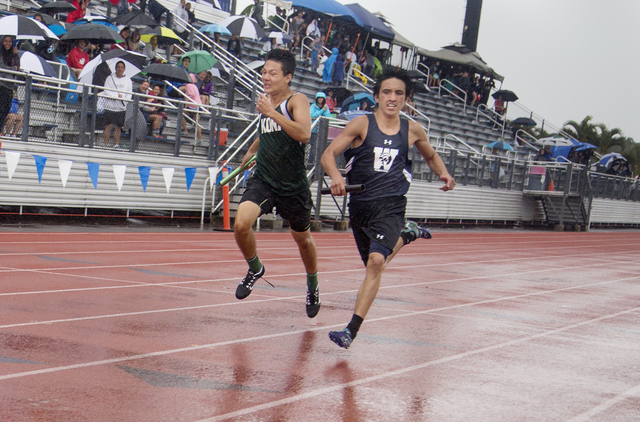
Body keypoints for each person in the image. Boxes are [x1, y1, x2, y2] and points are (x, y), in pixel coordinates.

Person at [321, 67, 455, 349]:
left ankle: (350, 331)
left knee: (376, 263)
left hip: (392, 206)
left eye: (399, 93)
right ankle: (407, 235)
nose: (392, 98)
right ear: (377, 96)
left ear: (407, 99)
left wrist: (443, 173)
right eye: (387, 92)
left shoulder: (412, 130)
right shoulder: (361, 125)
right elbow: (328, 155)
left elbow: (430, 155)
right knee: (373, 262)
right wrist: (335, 177)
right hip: (360, 206)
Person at [233, 49, 320, 318]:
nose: (266, 77)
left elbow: (304, 134)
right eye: (264, 71)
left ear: (288, 77)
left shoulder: (297, 100)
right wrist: (249, 152)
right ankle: (255, 268)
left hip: (293, 186)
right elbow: (267, 134)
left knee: (303, 240)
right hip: (265, 180)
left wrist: (271, 112)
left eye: (273, 73)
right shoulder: (265, 103)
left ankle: (313, 284)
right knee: (240, 224)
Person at [101, 61, 132, 148]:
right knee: (108, 126)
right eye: (118, 67)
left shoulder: (128, 80)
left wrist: (124, 99)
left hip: (121, 108)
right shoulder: (109, 78)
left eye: (122, 67)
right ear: (115, 68)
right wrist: (116, 96)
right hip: (110, 107)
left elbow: (129, 94)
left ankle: (116, 144)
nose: (120, 69)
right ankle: (105, 144)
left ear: (124, 69)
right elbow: (106, 91)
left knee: (118, 127)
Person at [0, 36, 20, 136]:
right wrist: (13, 68)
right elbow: (2, 67)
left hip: (9, 85)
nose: (8, 44)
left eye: (10, 42)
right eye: (6, 41)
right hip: (1, 84)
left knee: (6, 109)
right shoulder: (0, 53)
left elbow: (18, 66)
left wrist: (16, 55)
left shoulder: (12, 54)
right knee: (1, 108)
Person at [308, 91, 331, 166]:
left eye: (322, 98)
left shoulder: (325, 106)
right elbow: (311, 115)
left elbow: (328, 116)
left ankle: (317, 163)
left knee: (318, 147)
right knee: (311, 146)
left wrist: (322, 113)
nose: (320, 100)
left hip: (320, 130)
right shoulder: (313, 106)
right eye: (319, 98)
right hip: (312, 130)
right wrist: (322, 111)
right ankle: (310, 162)